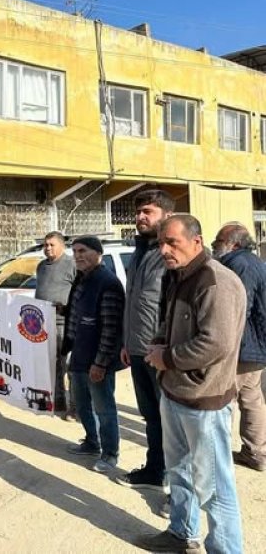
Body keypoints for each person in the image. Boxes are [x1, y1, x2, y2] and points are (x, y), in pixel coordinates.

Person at [136, 215, 246, 554]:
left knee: (214, 488)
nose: (165, 250)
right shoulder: (178, 276)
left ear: (196, 242)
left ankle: (225, 549)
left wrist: (166, 358)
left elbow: (216, 344)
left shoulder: (215, 282)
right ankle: (182, 534)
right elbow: (167, 322)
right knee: (179, 472)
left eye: (172, 242)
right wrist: (157, 345)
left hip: (204, 402)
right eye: (160, 244)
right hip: (174, 393)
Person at [116, 189, 175, 494]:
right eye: (138, 212)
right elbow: (133, 301)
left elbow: (176, 308)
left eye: (148, 211)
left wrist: (165, 349)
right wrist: (127, 342)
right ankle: (155, 470)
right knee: (151, 416)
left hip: (163, 354)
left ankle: (180, 491)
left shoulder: (171, 255)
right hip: (138, 350)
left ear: (166, 216)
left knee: (174, 424)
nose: (140, 217)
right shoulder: (139, 253)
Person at [63, 236, 125, 473]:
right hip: (79, 355)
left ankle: (109, 454)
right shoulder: (82, 279)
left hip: (98, 360)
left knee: (104, 408)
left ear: (98, 253)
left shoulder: (107, 283)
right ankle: (91, 441)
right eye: (75, 251)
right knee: (82, 403)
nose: (78, 255)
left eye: (83, 251)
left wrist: (100, 363)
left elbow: (111, 329)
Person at [213, 222, 266, 472]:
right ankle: (255, 452)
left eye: (217, 243)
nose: (213, 248)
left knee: (225, 400)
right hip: (254, 346)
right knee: (251, 398)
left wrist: (220, 344)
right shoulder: (254, 262)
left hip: (241, 347)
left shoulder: (238, 264)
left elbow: (235, 310)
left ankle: (221, 456)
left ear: (232, 244)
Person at [34, 231, 76, 418]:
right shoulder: (41, 266)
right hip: (44, 324)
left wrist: (66, 308)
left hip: (65, 323)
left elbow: (78, 294)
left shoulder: (72, 264)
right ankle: (58, 400)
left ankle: (75, 407)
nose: (48, 248)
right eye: (45, 245)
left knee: (70, 365)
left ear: (62, 246)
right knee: (52, 365)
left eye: (51, 244)